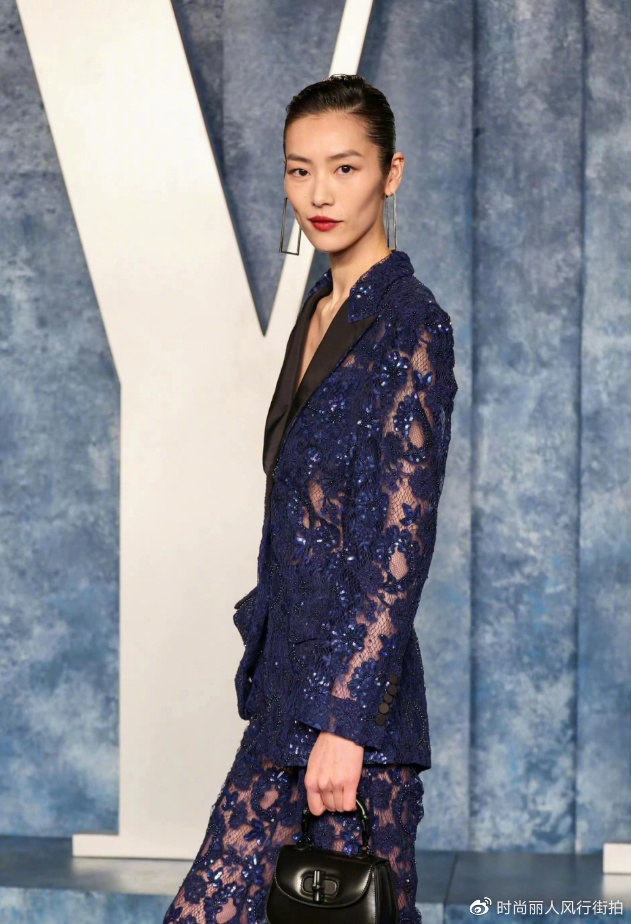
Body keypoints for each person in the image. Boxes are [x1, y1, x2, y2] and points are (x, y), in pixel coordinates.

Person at [162, 73, 458, 924]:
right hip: (286, 697)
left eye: (344, 168)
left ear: (390, 173)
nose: (318, 195)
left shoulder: (410, 324)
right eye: (299, 171)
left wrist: (346, 722)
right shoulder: (320, 308)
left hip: (348, 722)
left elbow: (401, 543)